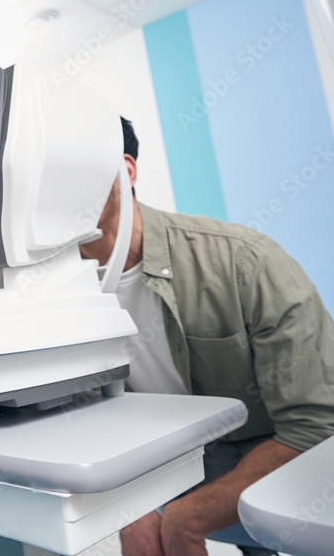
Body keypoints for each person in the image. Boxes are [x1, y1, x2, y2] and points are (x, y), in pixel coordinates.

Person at [79, 117, 334, 556]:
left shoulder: (244, 261)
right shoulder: (54, 294)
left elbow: (316, 425)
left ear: (127, 170)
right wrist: (129, 510)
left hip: (268, 446)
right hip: (166, 454)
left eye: (75, 167)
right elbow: (78, 413)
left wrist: (189, 516)